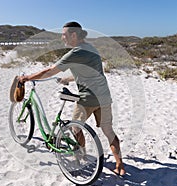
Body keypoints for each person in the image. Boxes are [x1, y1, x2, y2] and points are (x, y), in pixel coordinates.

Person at [17, 21, 126, 176]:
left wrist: (27, 77)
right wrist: (68, 79)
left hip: (88, 98)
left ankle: (81, 156)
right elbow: (89, 72)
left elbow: (49, 71)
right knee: (109, 131)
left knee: (76, 128)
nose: (62, 38)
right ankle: (119, 165)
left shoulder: (74, 53)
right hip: (104, 97)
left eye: (64, 35)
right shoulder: (91, 49)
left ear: (74, 35)